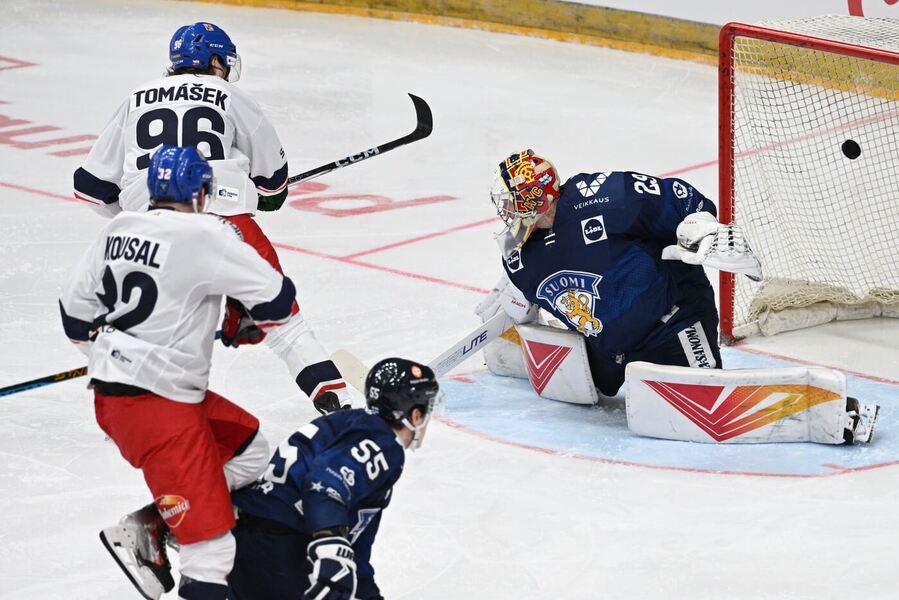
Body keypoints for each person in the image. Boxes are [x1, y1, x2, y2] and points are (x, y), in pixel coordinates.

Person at [72, 21, 350, 414]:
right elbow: (272, 187)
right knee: (284, 324)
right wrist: (254, 192)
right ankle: (333, 398)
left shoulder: (135, 97)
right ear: (215, 60)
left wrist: (133, 214)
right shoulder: (231, 95)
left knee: (153, 319)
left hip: (148, 232)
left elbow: (90, 186)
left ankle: (133, 388)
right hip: (228, 222)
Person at [60, 146, 298, 600]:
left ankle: (152, 523)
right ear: (203, 193)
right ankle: (177, 530)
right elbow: (278, 301)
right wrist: (240, 315)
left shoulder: (118, 229)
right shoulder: (205, 235)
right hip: (161, 408)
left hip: (120, 399)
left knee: (250, 451)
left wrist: (115, 353)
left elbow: (74, 319)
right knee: (211, 552)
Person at [477, 149, 762, 398]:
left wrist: (700, 226)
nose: (506, 211)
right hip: (609, 349)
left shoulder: (605, 195)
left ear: (534, 198)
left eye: (512, 203)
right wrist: (512, 296)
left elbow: (684, 199)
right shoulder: (519, 259)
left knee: (703, 397)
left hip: (672, 324)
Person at [227, 357, 442, 600]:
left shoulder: (353, 429)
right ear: (415, 415)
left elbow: (357, 545)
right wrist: (331, 550)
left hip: (248, 540)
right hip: (281, 548)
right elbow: (324, 485)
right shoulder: (383, 443)